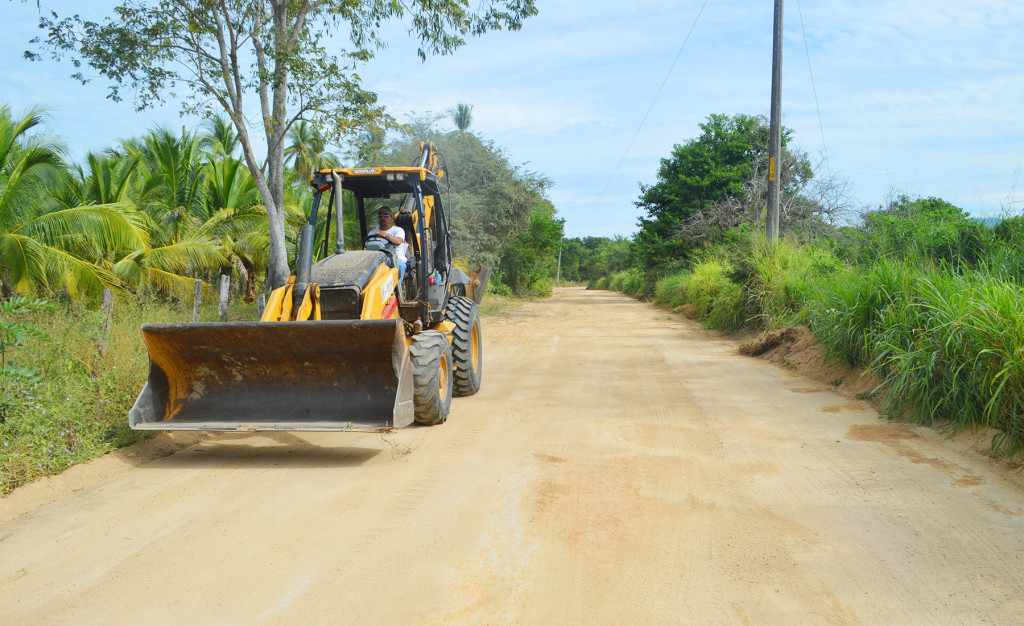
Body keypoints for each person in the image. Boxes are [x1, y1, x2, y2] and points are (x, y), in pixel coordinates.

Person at [367, 206, 408, 281]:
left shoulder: (398, 230)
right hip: (377, 261)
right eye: (380, 216)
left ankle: (396, 290)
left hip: (395, 259)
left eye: (385, 216)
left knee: (401, 266)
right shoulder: (372, 232)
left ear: (391, 219)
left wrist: (387, 236)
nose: (382, 218)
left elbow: (398, 241)